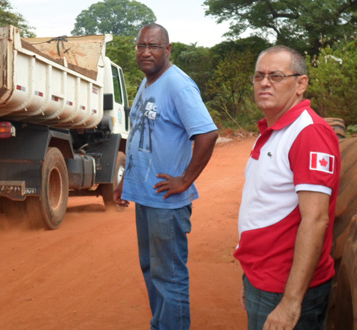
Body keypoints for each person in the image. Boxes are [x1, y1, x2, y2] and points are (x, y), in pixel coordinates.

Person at [112, 23, 219, 330]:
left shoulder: (177, 84)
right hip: (146, 196)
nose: (146, 52)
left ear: (168, 50)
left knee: (169, 276)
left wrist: (184, 180)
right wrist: (124, 181)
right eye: (141, 46)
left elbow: (207, 134)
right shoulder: (147, 84)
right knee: (151, 270)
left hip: (167, 202)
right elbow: (139, 139)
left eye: (154, 46)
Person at [235, 45, 341, 330]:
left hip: (285, 288)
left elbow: (316, 219)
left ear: (301, 84)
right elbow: (264, 206)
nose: (265, 82)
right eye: (259, 76)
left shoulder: (308, 134)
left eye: (276, 76)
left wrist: (291, 302)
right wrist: (252, 276)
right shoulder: (273, 131)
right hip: (264, 279)